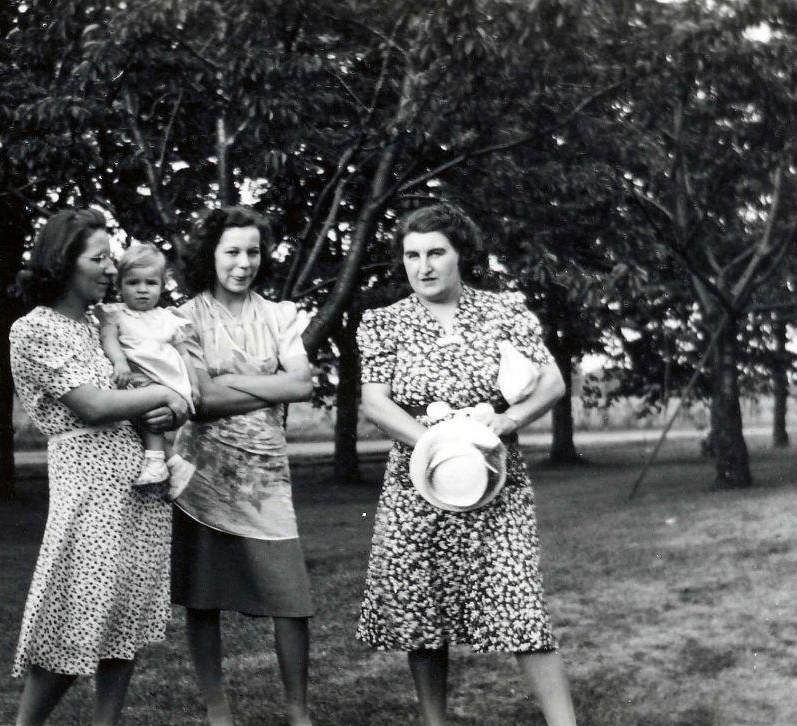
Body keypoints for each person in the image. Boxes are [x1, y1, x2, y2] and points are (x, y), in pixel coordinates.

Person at [355, 203, 577, 726]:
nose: (423, 266)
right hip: (420, 484)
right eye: (412, 255)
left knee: (520, 600)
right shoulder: (383, 322)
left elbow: (552, 382)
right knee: (421, 611)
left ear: (461, 255)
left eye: (436, 252)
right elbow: (377, 403)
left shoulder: (504, 312)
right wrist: (439, 445)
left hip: (497, 483)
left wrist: (504, 422)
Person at [9, 209, 189, 726]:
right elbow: (92, 405)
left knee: (122, 618)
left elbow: (156, 387)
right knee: (71, 615)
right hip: (88, 485)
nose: (112, 269)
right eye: (99, 258)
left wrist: (169, 405)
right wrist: (162, 396)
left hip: (139, 480)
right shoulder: (35, 328)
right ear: (64, 263)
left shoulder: (104, 323)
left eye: (112, 257)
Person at [171, 206, 316, 726]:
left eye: (253, 251)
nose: (244, 262)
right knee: (202, 596)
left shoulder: (280, 316)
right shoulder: (183, 318)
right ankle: (217, 709)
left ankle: (298, 712)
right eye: (232, 251)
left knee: (290, 598)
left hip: (266, 477)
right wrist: (263, 383)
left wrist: (228, 384)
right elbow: (199, 400)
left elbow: (302, 384)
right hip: (202, 473)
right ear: (210, 254)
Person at [97, 243, 200, 491]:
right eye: (133, 283)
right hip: (136, 375)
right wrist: (120, 361)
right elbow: (109, 338)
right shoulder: (115, 314)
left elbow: (184, 354)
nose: (142, 290)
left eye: (151, 283)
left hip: (165, 380)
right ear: (120, 284)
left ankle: (156, 462)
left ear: (162, 286)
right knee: (139, 412)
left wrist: (193, 384)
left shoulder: (167, 318)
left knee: (148, 412)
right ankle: (174, 463)